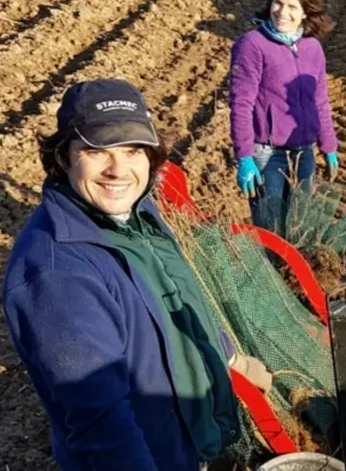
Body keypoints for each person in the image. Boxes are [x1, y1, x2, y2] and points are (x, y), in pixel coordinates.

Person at [2, 78, 273, 471]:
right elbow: (102, 425)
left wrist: (229, 357)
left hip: (189, 446)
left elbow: (177, 295)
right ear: (64, 157)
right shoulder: (58, 274)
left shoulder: (139, 216)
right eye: (97, 151)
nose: (118, 170)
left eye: (132, 150)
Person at [229, 0, 339, 222]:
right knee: (271, 226)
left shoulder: (312, 48)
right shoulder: (252, 45)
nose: (282, 12)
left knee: (300, 222)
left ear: (305, 14)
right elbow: (241, 103)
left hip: (304, 153)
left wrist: (328, 146)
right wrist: (244, 156)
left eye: (292, 7)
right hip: (268, 153)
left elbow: (319, 100)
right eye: (278, 3)